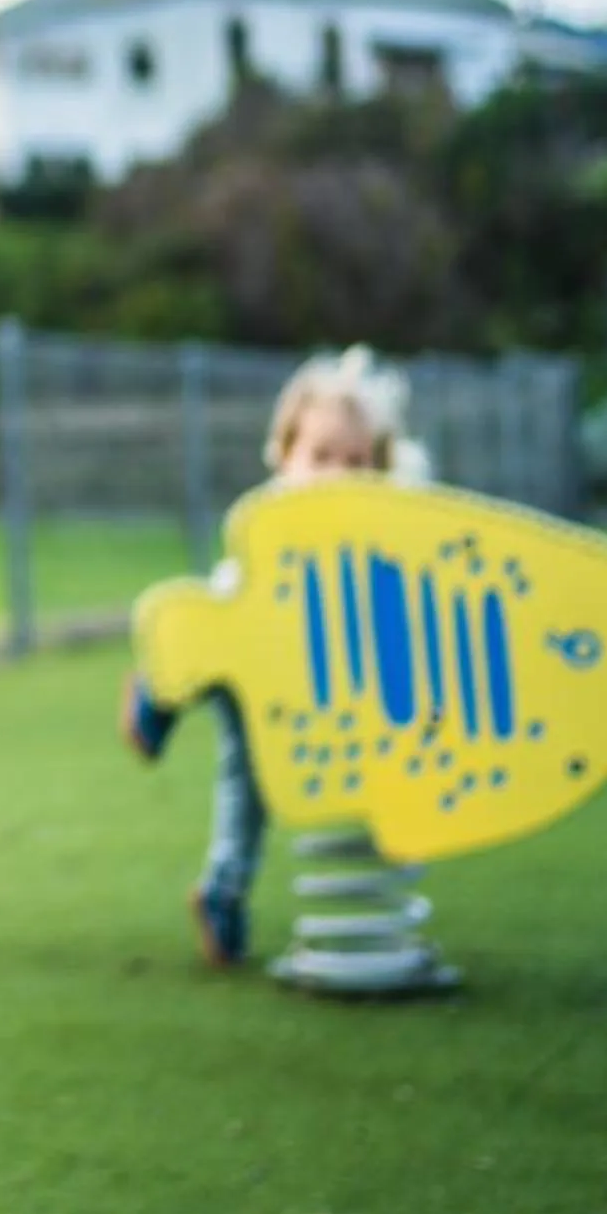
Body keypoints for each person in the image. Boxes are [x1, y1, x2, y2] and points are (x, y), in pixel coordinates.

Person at [120, 344, 432, 965]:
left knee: (258, 778)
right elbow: (231, 607)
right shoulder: (270, 521)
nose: (337, 475)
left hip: (313, 680)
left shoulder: (375, 537)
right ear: (282, 457)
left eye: (356, 461)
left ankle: (221, 889)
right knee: (242, 758)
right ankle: (159, 695)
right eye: (319, 456)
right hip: (251, 653)